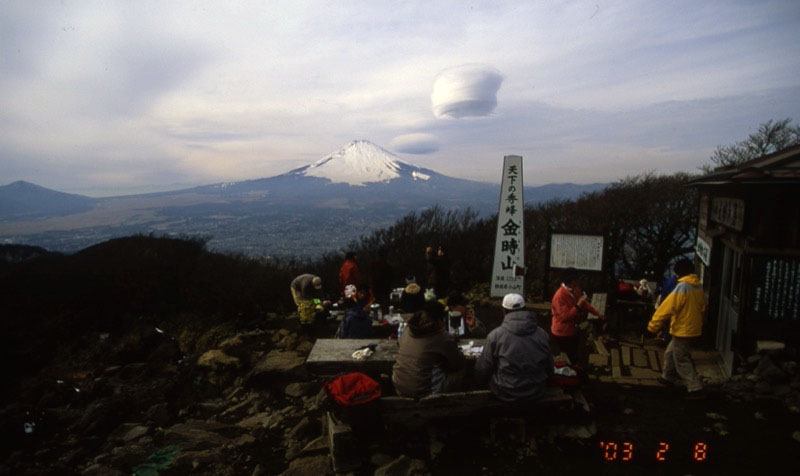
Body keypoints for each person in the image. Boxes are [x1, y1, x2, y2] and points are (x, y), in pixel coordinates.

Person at [475, 293, 553, 402]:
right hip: (537, 390)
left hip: (506, 392)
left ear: (503, 311)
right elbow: (549, 366)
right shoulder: (542, 334)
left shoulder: (495, 336)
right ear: (525, 309)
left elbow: (483, 368)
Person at [647, 259, 706, 398]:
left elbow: (666, 308)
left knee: (681, 358)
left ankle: (695, 387)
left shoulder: (682, 287)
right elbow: (702, 308)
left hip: (683, 329)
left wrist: (653, 326)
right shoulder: (697, 286)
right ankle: (667, 376)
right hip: (692, 327)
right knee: (670, 352)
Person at [392, 301, 466, 398]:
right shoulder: (441, 336)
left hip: (399, 386)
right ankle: (449, 403)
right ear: (439, 320)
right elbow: (458, 362)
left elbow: (399, 345)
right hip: (422, 393)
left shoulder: (408, 328)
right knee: (459, 371)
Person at [550, 268, 605, 364]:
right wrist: (578, 305)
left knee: (574, 354)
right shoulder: (559, 296)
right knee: (566, 358)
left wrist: (597, 313)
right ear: (570, 281)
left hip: (573, 329)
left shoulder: (575, 289)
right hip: (562, 332)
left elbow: (584, 303)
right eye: (576, 279)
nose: (578, 281)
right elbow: (564, 317)